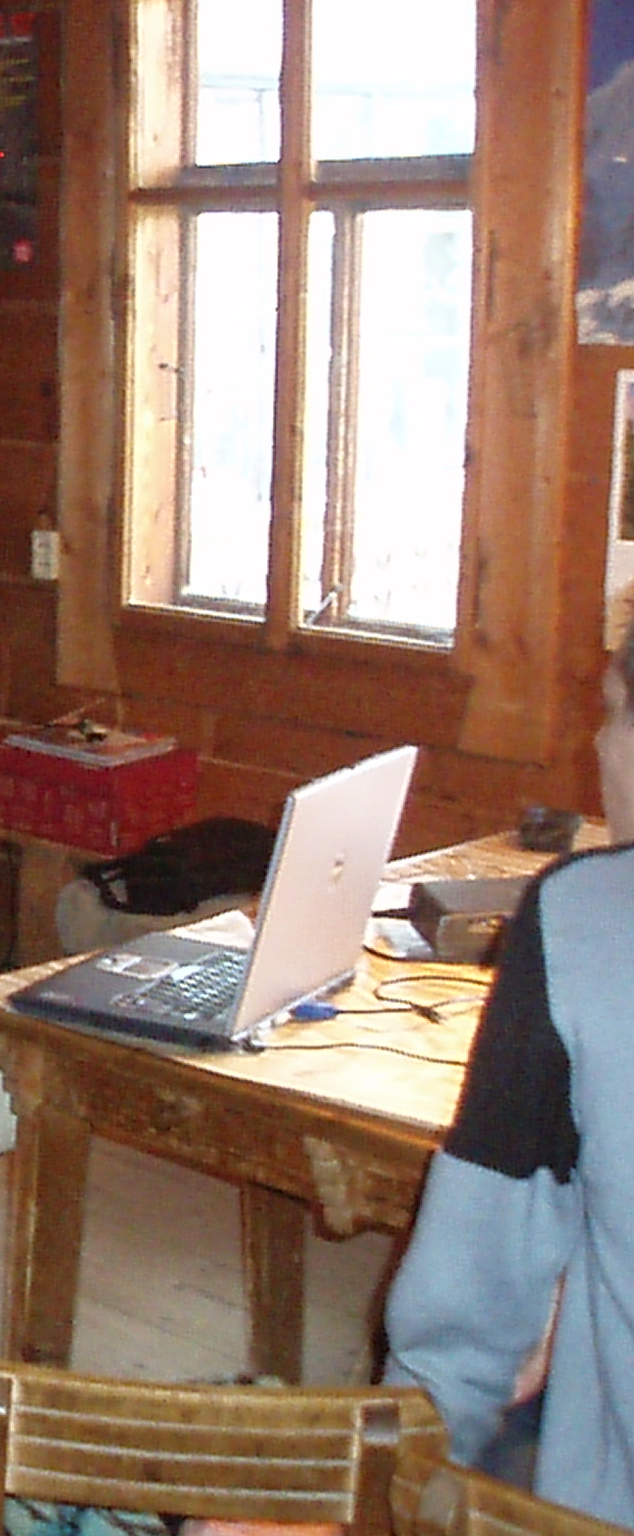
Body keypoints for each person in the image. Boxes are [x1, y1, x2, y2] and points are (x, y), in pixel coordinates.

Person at [381, 625, 634, 1524]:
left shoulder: (580, 915)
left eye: (613, 713)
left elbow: (467, 1314)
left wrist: (378, 1497)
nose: (597, 744)